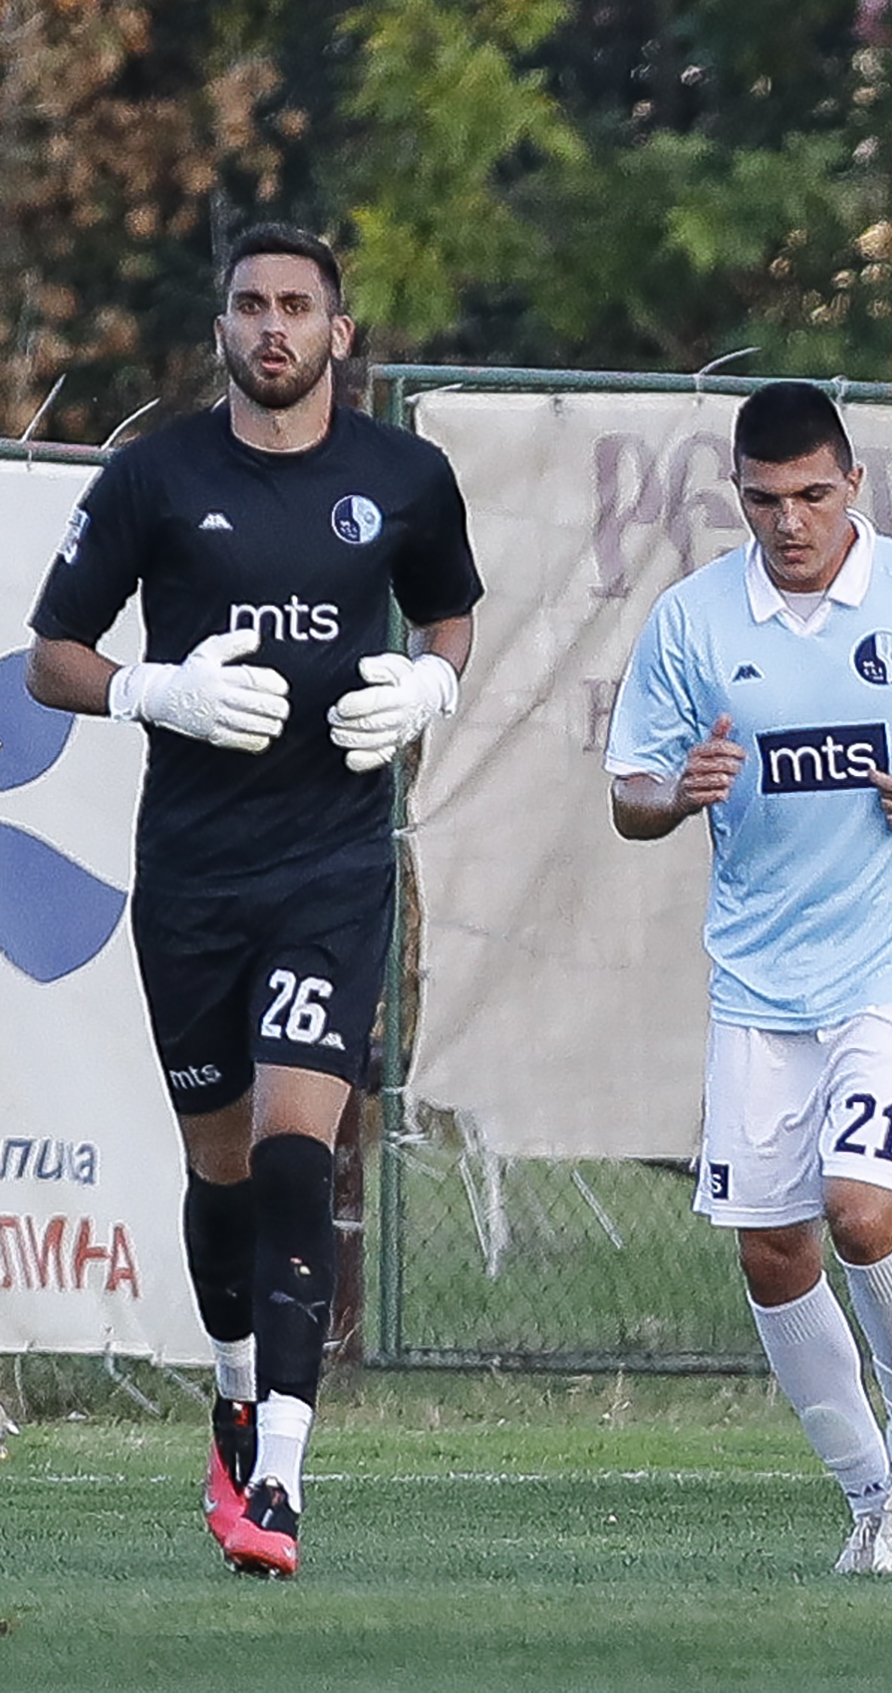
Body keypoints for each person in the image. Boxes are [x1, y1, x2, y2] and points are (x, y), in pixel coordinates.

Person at [25, 223, 483, 1578]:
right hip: (191, 878)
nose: (272, 325)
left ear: (341, 332)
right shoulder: (153, 477)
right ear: (219, 326)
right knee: (219, 1171)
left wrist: (435, 686)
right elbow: (54, 656)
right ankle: (233, 1378)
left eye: (297, 305)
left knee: (297, 1155)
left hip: (331, 870)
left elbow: (449, 612)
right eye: (250, 304)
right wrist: (147, 688)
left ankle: (276, 1477)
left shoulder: (405, 477)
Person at [606, 381, 892, 1575]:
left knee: (864, 1210)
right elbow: (631, 793)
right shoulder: (693, 619)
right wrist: (681, 793)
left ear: (853, 483)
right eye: (765, 500)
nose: (790, 521)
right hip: (761, 981)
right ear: (738, 496)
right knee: (770, 1247)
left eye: (813, 494)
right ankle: (866, 1489)